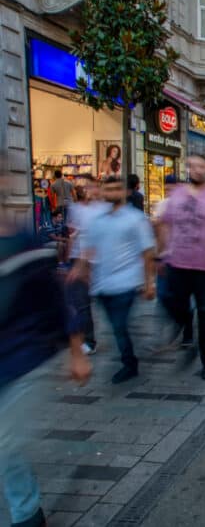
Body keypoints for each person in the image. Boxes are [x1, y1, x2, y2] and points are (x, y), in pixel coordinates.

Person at [1, 220, 91, 527]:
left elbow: (56, 299)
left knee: (4, 444)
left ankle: (26, 516)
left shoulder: (22, 244)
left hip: (21, 360)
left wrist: (76, 351)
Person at [73, 176, 156, 383]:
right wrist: (80, 269)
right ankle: (129, 353)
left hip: (126, 283)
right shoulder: (97, 220)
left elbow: (147, 252)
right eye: (108, 189)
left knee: (119, 325)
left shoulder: (135, 218)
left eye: (117, 188)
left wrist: (149, 283)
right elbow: (88, 249)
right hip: (102, 284)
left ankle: (129, 363)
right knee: (116, 325)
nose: (112, 192)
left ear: (125, 192)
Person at [159, 155, 205, 380]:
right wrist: (161, 253)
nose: (196, 170)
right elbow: (166, 223)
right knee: (172, 301)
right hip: (177, 262)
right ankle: (185, 328)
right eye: (192, 166)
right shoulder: (178, 193)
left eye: (201, 166)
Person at [67, 179, 110, 355]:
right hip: (78, 259)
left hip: (98, 261)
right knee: (81, 303)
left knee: (106, 300)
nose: (86, 190)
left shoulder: (104, 210)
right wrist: (70, 259)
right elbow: (72, 234)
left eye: (90, 186)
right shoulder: (74, 209)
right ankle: (89, 340)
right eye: (83, 187)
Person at [153, 175, 193, 350]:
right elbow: (159, 232)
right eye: (167, 189)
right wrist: (158, 256)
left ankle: (187, 332)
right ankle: (177, 324)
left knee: (182, 297)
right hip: (166, 258)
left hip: (184, 260)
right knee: (162, 295)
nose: (170, 192)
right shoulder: (162, 205)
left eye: (173, 188)